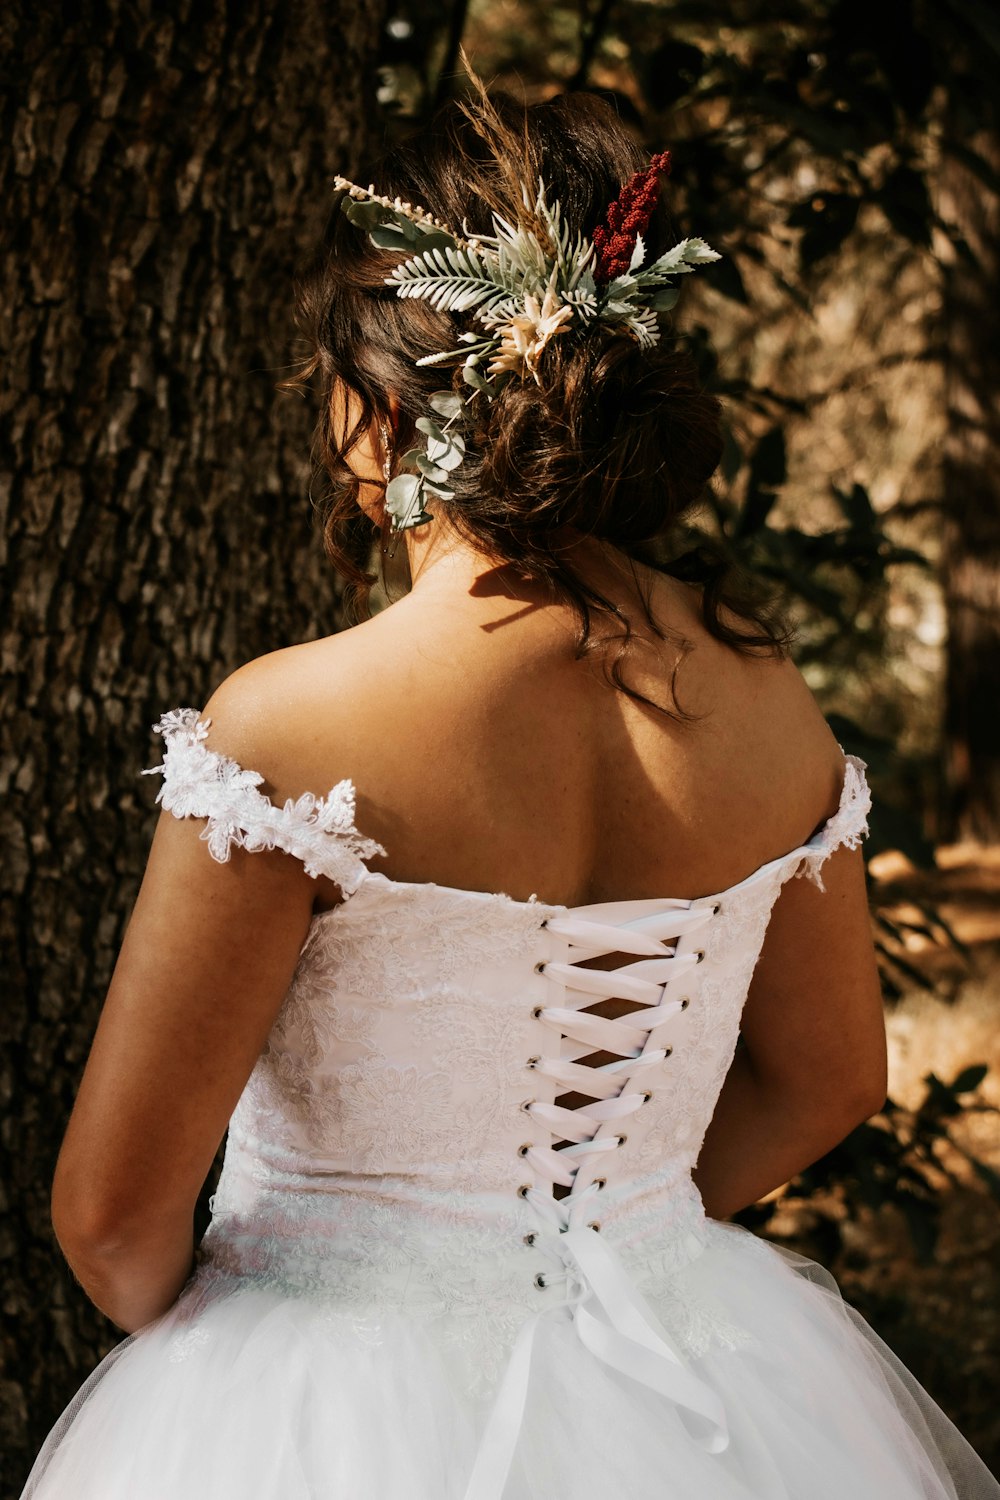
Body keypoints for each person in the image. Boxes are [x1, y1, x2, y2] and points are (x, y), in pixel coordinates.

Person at [20, 77, 999, 1500]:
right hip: (692, 1382)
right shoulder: (768, 699)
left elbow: (112, 1217)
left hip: (326, 1404)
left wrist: (241, 1375)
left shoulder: (294, 725)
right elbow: (837, 1076)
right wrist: (609, 1241)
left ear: (377, 414)